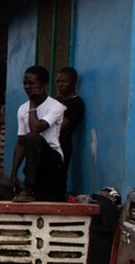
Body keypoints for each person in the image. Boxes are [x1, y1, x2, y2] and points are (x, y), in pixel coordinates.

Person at [10, 65, 65, 202]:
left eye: (31, 83)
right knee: (29, 139)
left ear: (43, 85)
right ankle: (29, 187)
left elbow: (36, 128)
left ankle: (29, 188)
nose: (27, 87)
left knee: (33, 136)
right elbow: (21, 143)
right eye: (25, 83)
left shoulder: (56, 106)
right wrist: (14, 173)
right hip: (34, 164)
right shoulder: (22, 109)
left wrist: (33, 104)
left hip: (52, 159)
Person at [55, 67, 84, 190]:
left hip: (62, 144)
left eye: (63, 81)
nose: (59, 85)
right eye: (58, 81)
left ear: (73, 83)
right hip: (48, 144)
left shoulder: (76, 103)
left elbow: (61, 126)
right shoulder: (56, 101)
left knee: (58, 177)